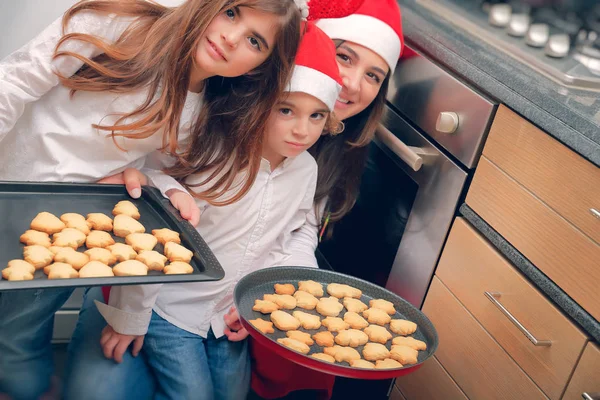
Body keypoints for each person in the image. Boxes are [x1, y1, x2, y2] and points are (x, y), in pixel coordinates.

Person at [0, 0, 301, 398]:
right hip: (8, 189)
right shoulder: (117, 24)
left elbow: (147, 174)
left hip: (62, 238)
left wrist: (171, 190)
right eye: (231, 12)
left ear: (259, 66)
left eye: (254, 41)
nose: (230, 38)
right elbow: (13, 83)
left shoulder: (201, 115)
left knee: (15, 341)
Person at [63, 21, 344, 400]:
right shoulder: (216, 156)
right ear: (259, 104)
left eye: (316, 116)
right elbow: (158, 237)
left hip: (227, 314)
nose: (301, 131)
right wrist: (131, 316)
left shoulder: (306, 169)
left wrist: (263, 303)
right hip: (171, 310)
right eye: (286, 110)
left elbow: (288, 236)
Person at [223, 0, 405, 398]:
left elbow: (301, 231)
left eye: (373, 75)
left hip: (251, 296)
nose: (353, 83)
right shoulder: (235, 107)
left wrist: (299, 288)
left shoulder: (343, 158)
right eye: (344, 56)